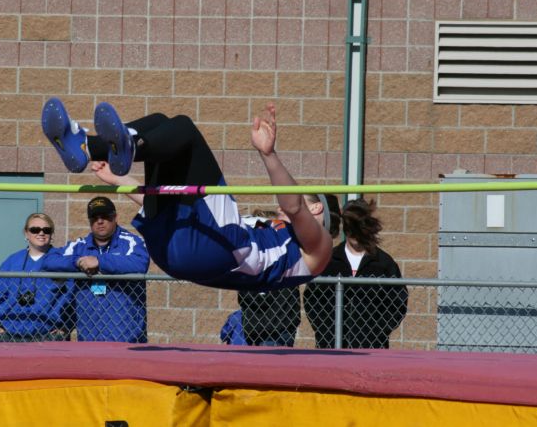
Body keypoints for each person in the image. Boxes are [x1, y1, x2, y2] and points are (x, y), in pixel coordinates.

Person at [41, 97, 332, 291]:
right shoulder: (270, 231)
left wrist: (268, 155)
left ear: (317, 210)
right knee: (158, 122)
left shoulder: (319, 247)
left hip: (216, 250)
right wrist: (119, 180)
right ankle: (85, 147)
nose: (285, 203)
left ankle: (121, 146)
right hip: (176, 249)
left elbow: (294, 207)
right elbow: (167, 202)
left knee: (185, 130)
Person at [304, 198, 408, 349]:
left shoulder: (383, 263)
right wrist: (324, 328)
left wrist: (378, 331)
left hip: (370, 347)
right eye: (350, 228)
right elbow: (311, 298)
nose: (354, 235)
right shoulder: (329, 260)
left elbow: (398, 302)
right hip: (331, 344)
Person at [44, 196, 149, 343]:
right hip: (89, 339)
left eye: (105, 216)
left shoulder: (130, 241)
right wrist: (78, 263)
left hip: (126, 339)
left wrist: (99, 262)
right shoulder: (80, 245)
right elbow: (49, 261)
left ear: (115, 217)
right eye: (94, 217)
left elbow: (140, 263)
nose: (100, 221)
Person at [239, 196, 341, 347]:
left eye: (296, 202)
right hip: (254, 323)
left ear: (315, 208)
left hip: (275, 326)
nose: (280, 207)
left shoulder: (298, 245)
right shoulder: (277, 232)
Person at [0, 213, 74, 342]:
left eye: (46, 230)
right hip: (11, 335)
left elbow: (73, 296)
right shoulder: (12, 261)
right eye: (35, 230)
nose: (41, 233)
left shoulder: (61, 260)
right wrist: (0, 325)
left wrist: (65, 327)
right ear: (26, 233)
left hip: (50, 335)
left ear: (52, 234)